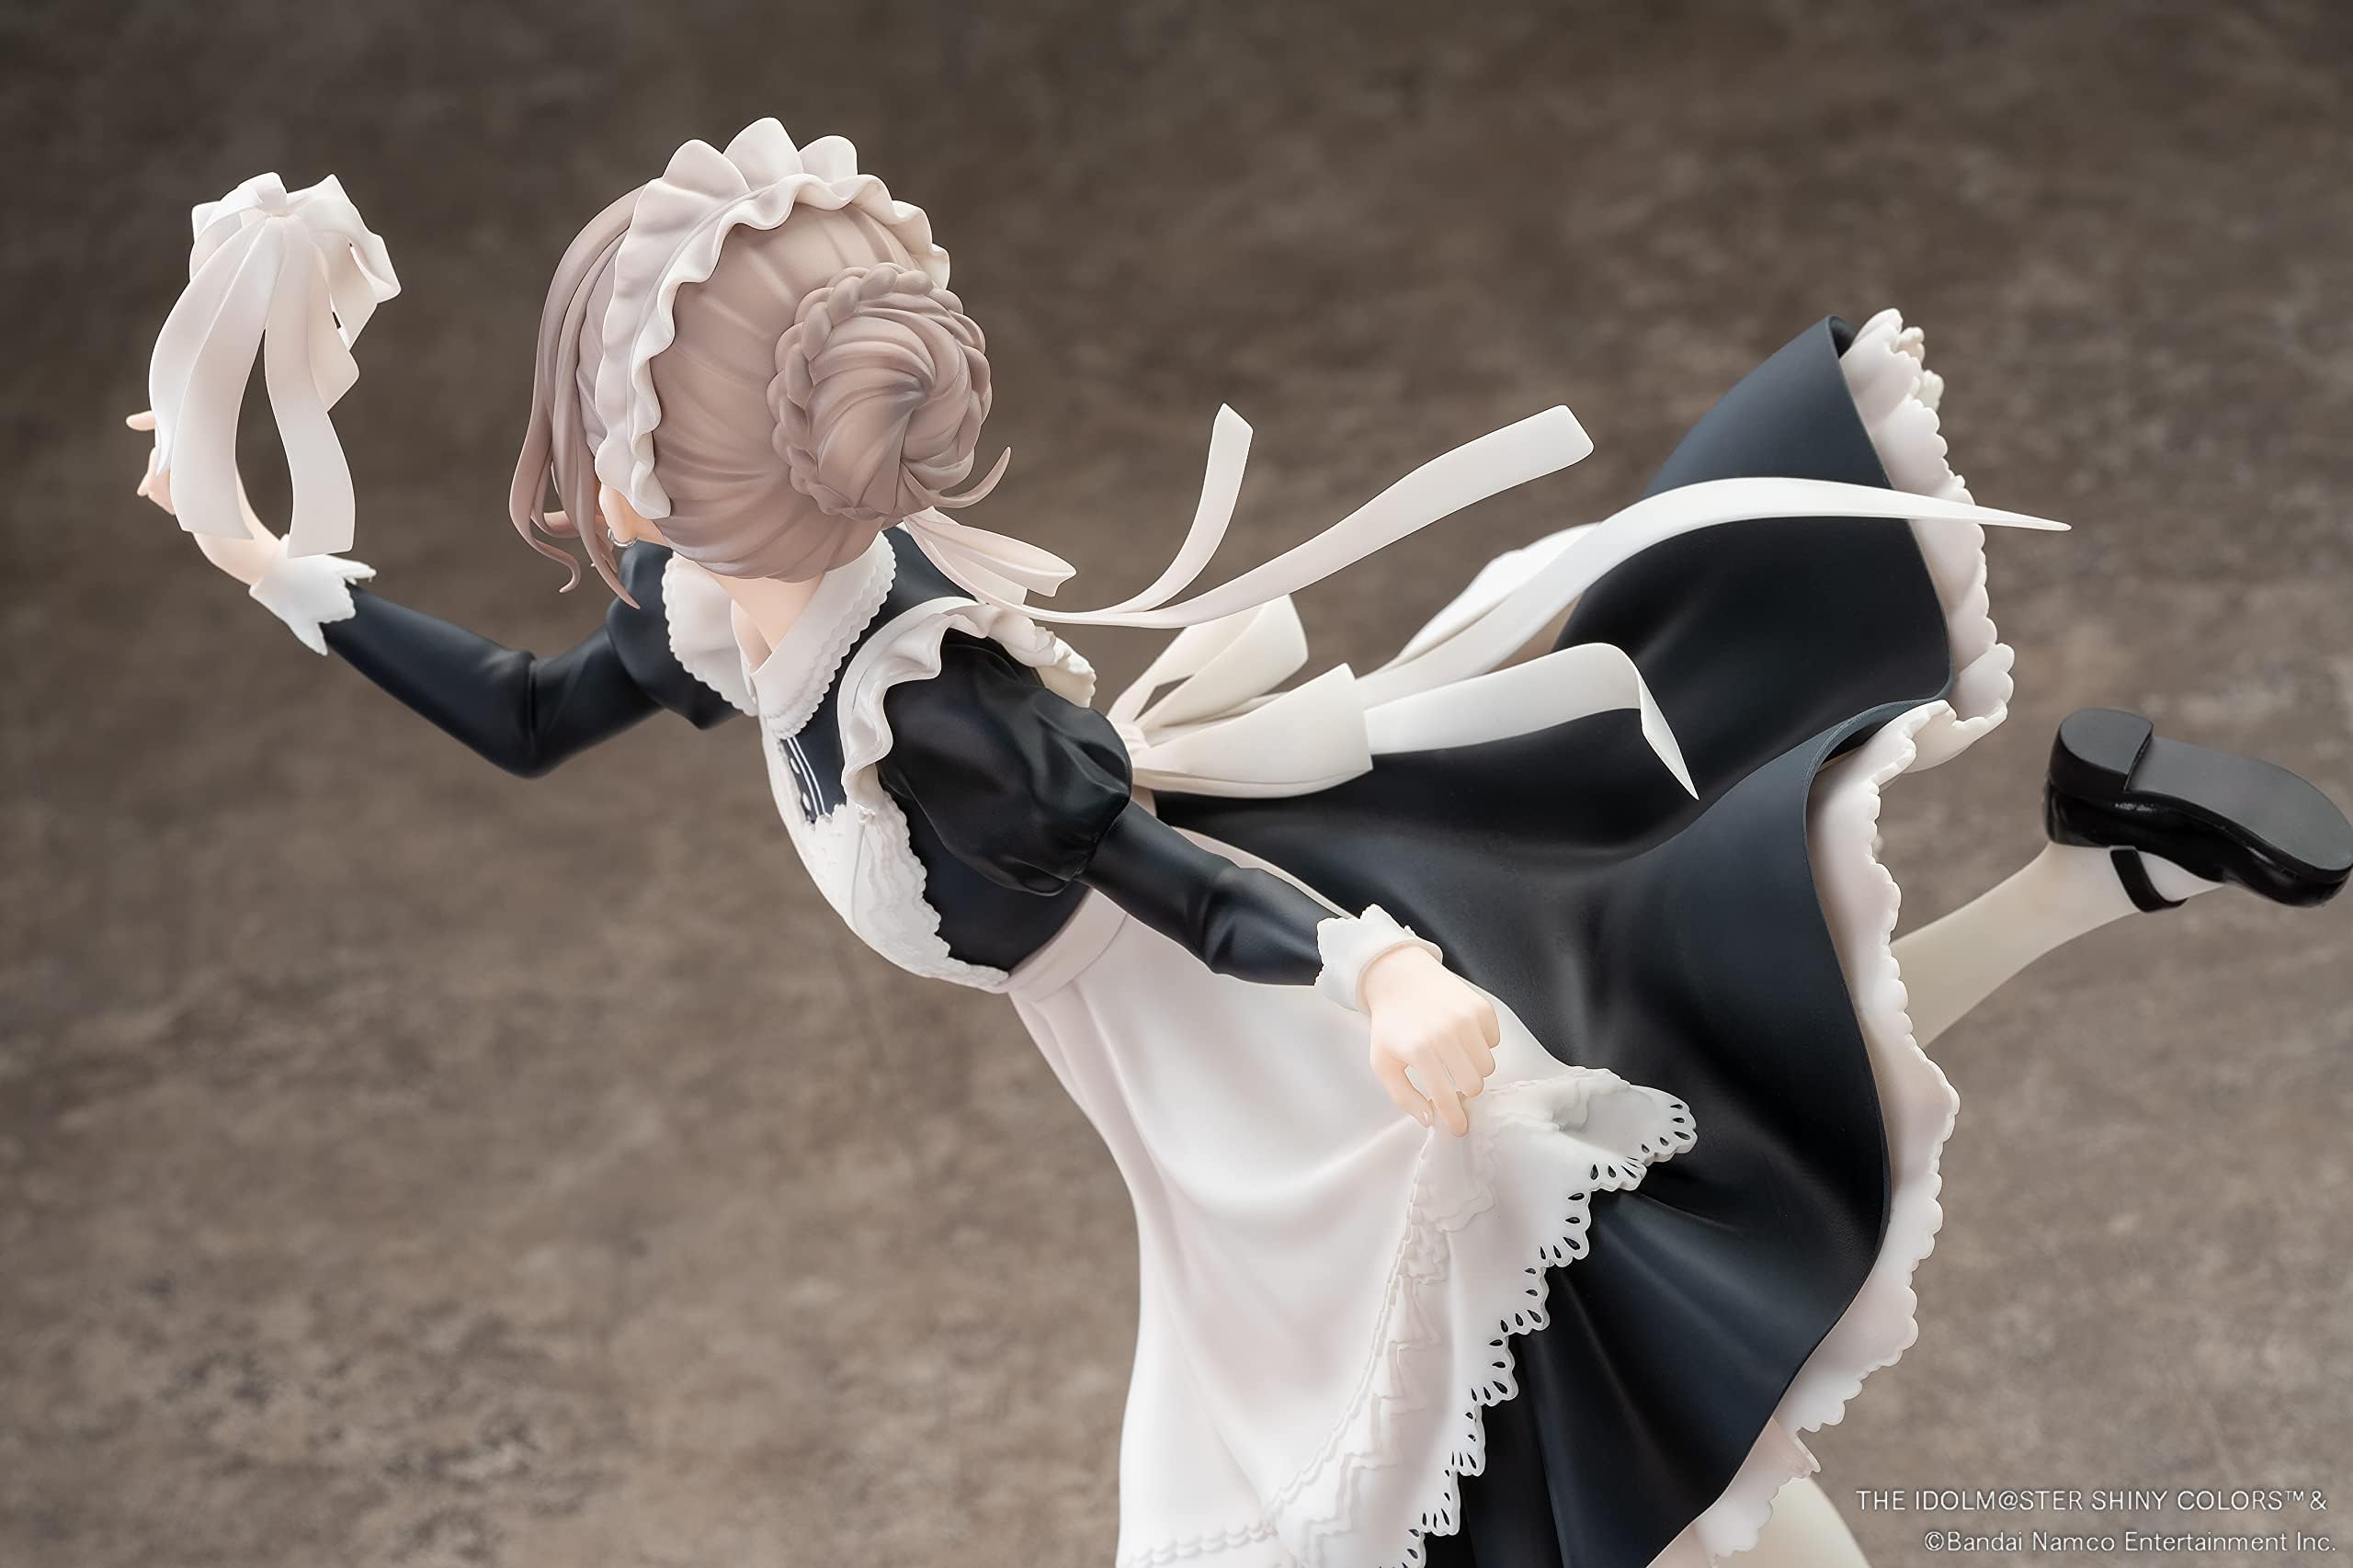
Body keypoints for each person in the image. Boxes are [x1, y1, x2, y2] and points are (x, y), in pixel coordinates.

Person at [128, 122, 2350, 1568]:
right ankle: (2097, 868)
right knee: (1652, 1149)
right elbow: (526, 720)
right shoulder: (722, 610)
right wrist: (271, 566)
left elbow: (1172, 886)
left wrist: (1377, 976)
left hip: (1257, 1042)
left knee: (1608, 1249)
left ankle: (2094, 877)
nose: (599, 481)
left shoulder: (941, 715)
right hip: (1182, 1069)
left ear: (672, 470)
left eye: (610, 427)